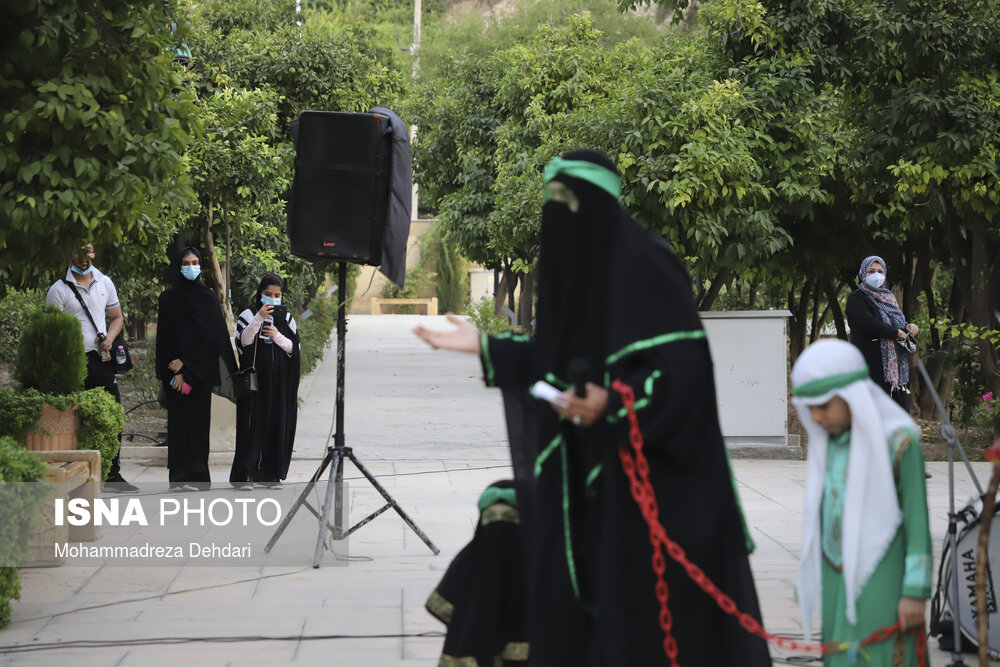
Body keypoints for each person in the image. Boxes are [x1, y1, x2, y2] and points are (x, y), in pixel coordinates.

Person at [414, 149, 770, 666]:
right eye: (550, 203)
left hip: (663, 496)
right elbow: (558, 359)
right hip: (594, 481)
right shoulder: (581, 281)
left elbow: (684, 378)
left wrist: (616, 403)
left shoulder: (648, 265)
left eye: (568, 202)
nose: (558, 217)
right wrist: (482, 346)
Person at [791, 339, 931, 666]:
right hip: (835, 573)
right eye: (809, 408)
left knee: (880, 653)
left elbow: (918, 524)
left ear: (852, 395)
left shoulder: (900, 443)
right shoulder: (830, 444)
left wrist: (914, 591)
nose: (816, 417)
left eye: (823, 406)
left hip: (884, 574)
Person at [46, 242, 137, 492]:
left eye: (88, 251)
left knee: (112, 414)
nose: (84, 257)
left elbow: (116, 316)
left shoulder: (104, 282)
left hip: (102, 360)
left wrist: (109, 337)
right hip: (73, 363)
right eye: (78, 251)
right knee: (77, 417)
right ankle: (80, 474)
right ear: (69, 253)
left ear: (94, 253)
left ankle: (113, 474)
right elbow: (51, 332)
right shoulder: (58, 290)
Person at [155, 247, 237, 491]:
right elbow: (165, 338)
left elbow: (214, 339)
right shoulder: (168, 298)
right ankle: (179, 478)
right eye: (185, 262)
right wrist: (176, 370)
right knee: (179, 424)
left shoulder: (208, 298)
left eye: (195, 262)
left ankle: (199, 476)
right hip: (176, 376)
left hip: (198, 374)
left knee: (198, 425)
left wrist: (187, 364)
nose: (191, 267)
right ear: (178, 267)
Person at [426, 480, 528, 666]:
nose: (500, 528)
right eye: (493, 518)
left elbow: (441, 608)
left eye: (508, 518)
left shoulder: (467, 562)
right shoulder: (538, 564)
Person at [230, 273, 300, 489]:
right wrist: (259, 319)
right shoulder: (248, 315)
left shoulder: (287, 318)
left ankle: (270, 473)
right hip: (255, 383)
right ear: (260, 294)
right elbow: (243, 342)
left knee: (275, 424)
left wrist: (278, 335)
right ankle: (245, 474)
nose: (272, 299)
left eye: (277, 295)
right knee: (252, 426)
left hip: (279, 383)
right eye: (268, 294)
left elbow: (294, 349)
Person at [845, 255, 919, 410]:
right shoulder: (856, 298)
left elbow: (896, 323)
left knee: (898, 409)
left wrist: (908, 327)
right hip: (869, 363)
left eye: (880, 271)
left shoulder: (889, 298)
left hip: (894, 367)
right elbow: (870, 323)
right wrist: (897, 333)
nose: (876, 274)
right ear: (863, 274)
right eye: (871, 271)